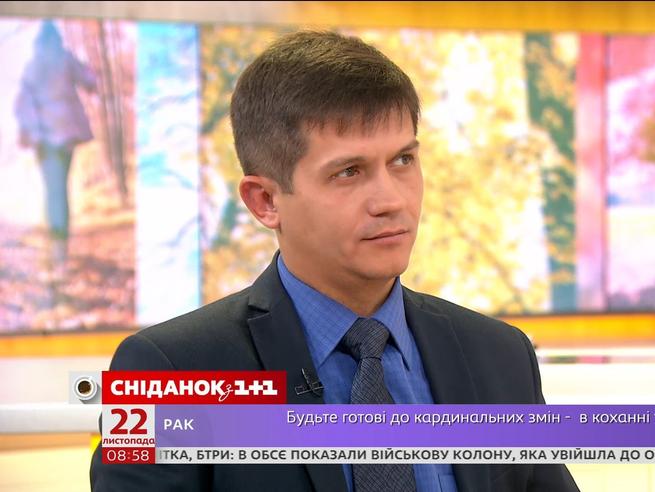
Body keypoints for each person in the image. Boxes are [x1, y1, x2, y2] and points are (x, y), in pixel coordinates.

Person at [90, 30, 579, 492]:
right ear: (265, 201)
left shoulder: (500, 355)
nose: (392, 200)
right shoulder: (168, 374)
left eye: (403, 160)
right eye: (349, 172)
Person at [14, 20, 97, 276]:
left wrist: (30, 131)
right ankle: (59, 251)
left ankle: (58, 252)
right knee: (60, 190)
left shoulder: (33, 64)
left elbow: (22, 102)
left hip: (45, 138)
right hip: (66, 135)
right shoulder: (65, 58)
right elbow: (90, 82)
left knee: (54, 192)